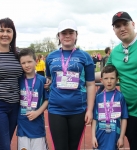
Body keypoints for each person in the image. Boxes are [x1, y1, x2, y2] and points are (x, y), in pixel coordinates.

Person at [46, 19, 96, 150]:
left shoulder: (85, 57)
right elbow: (49, 78)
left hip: (78, 110)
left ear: (76, 35)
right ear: (59, 36)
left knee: (74, 147)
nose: (67, 35)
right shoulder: (50, 57)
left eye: (70, 32)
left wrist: (90, 110)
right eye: (63, 33)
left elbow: (91, 84)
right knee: (60, 147)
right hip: (56, 109)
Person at [107, 11, 137, 150]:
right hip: (130, 113)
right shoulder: (115, 52)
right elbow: (106, 73)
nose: (122, 28)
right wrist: (82, 77)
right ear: (114, 30)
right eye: (117, 26)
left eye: (125, 24)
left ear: (133, 24)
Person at [0, 18, 23, 150]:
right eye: (2, 30)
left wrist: (46, 81)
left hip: (15, 106)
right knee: (4, 146)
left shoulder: (18, 55)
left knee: (5, 144)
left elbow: (28, 74)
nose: (5, 34)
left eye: (8, 31)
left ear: (13, 34)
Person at [17, 48, 49, 150]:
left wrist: (38, 112)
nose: (27, 65)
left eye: (29, 61)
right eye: (23, 63)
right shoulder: (18, 80)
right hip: (22, 127)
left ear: (36, 61)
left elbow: (47, 100)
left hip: (37, 127)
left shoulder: (42, 80)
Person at [92, 65, 128, 150]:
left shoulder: (120, 97)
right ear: (101, 80)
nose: (109, 81)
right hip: (99, 138)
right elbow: (94, 119)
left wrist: (121, 137)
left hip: (114, 138)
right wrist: (93, 137)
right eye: (106, 78)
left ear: (117, 79)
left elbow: (124, 118)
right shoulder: (98, 97)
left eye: (112, 78)